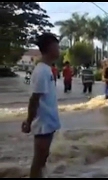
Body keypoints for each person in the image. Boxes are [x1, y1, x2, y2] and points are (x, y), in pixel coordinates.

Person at [21, 33, 61, 178]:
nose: (59, 50)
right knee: (38, 161)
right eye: (58, 47)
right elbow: (34, 99)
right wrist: (29, 121)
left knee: (43, 159)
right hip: (42, 124)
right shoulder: (41, 71)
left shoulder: (47, 69)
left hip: (49, 122)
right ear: (50, 48)